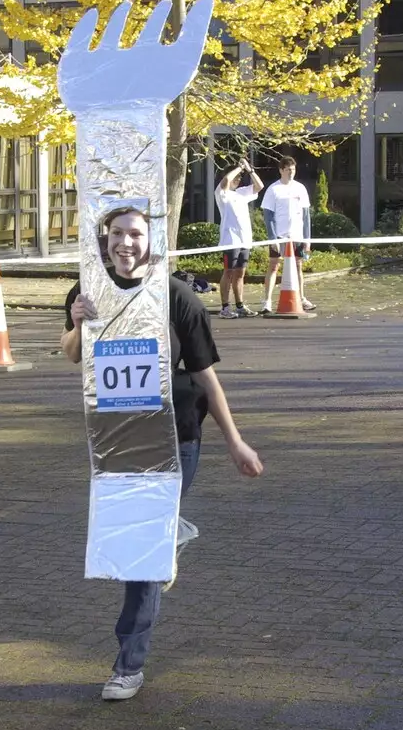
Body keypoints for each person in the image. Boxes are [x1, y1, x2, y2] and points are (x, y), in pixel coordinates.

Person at [61, 205, 264, 701]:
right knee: (146, 541)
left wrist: (234, 439)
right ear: (105, 238)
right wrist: (76, 322)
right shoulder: (87, 289)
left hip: (178, 436)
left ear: (152, 242)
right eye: (118, 234)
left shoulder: (177, 299)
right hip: (119, 438)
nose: (126, 243)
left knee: (141, 555)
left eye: (136, 234)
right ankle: (173, 532)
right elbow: (71, 353)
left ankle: (128, 665)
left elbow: (205, 376)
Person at [260, 158, 315, 313]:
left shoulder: (300, 188)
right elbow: (268, 215)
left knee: (298, 266)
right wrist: (272, 238)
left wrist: (307, 240)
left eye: (293, 170)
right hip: (279, 235)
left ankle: (301, 298)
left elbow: (306, 216)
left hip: (296, 235)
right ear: (281, 170)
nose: (291, 173)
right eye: (288, 170)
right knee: (274, 265)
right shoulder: (273, 189)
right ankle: (267, 301)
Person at [215, 160, 263, 318]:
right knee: (228, 272)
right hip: (231, 240)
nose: (238, 180)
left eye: (239, 179)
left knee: (240, 273)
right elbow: (226, 181)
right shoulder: (221, 193)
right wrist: (239, 167)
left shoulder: (241, 193)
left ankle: (240, 305)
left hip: (245, 239)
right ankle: (225, 308)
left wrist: (249, 170)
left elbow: (259, 187)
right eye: (236, 178)